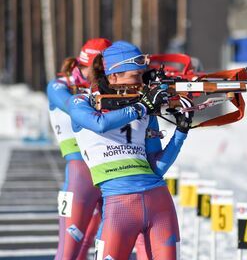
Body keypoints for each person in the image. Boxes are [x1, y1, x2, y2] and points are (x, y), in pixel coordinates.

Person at [68, 40, 193, 260]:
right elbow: (100, 123)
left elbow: (157, 167)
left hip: (159, 202)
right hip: (119, 207)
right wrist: (143, 106)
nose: (141, 83)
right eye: (136, 76)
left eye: (143, 76)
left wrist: (181, 132)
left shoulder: (146, 109)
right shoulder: (82, 101)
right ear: (113, 76)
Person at [47, 38, 112, 259]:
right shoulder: (60, 85)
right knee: (69, 253)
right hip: (80, 174)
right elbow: (74, 108)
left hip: (107, 170)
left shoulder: (107, 87)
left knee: (87, 247)